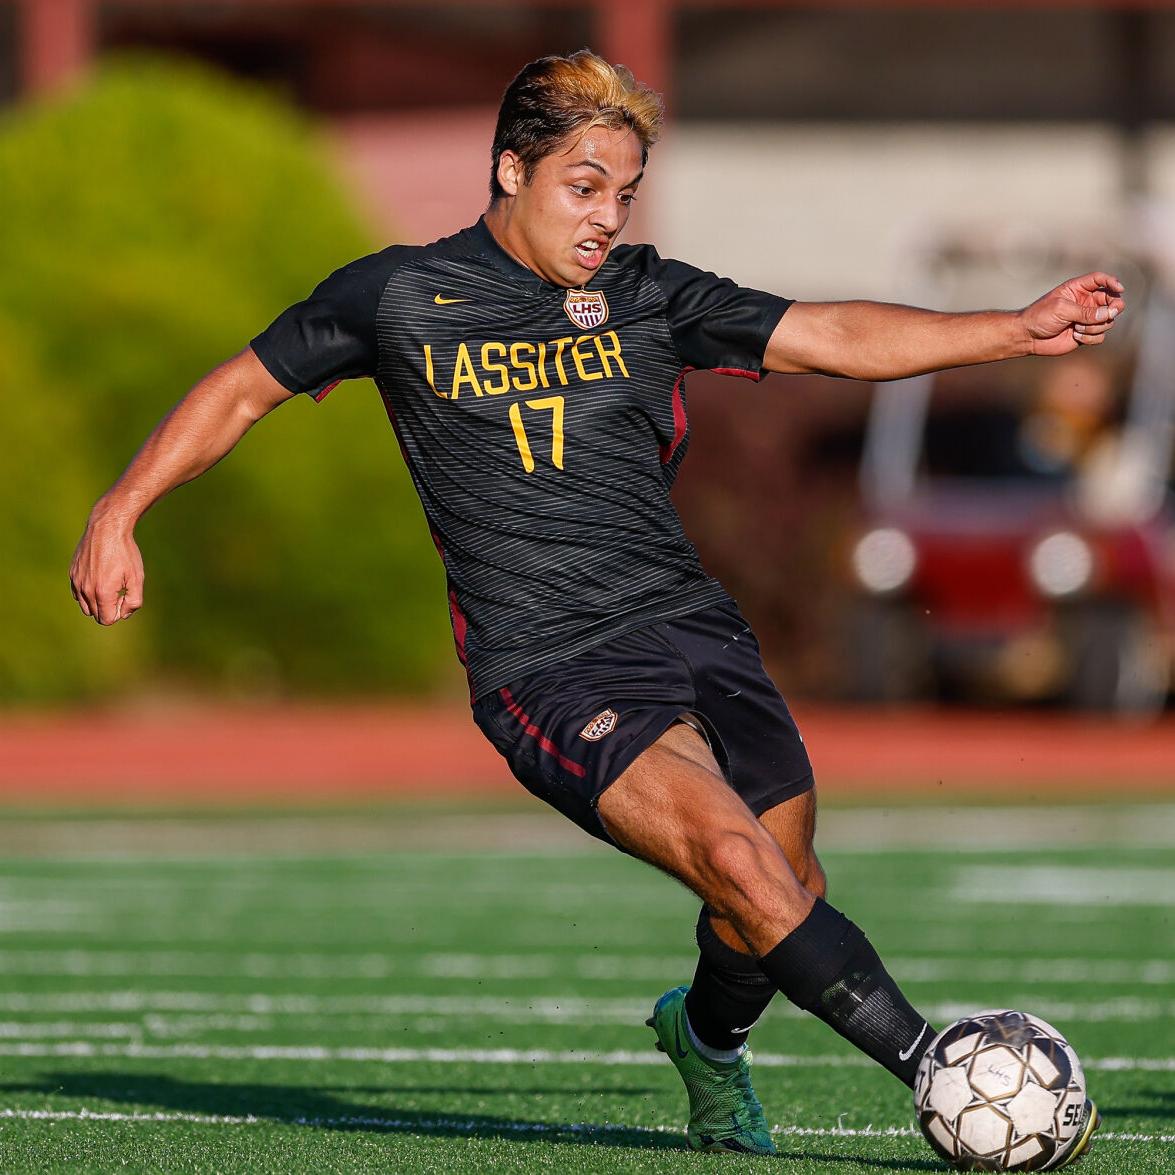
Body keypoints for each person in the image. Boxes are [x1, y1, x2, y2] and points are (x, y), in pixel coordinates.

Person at [71, 49, 1117, 1162]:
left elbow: (827, 334)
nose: (605, 217)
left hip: (688, 623)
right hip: (546, 661)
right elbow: (242, 385)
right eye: (582, 187)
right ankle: (938, 1067)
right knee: (736, 859)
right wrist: (122, 507)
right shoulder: (395, 297)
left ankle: (705, 1039)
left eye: (621, 192)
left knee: (780, 888)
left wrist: (1012, 327)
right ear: (509, 170)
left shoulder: (646, 293)